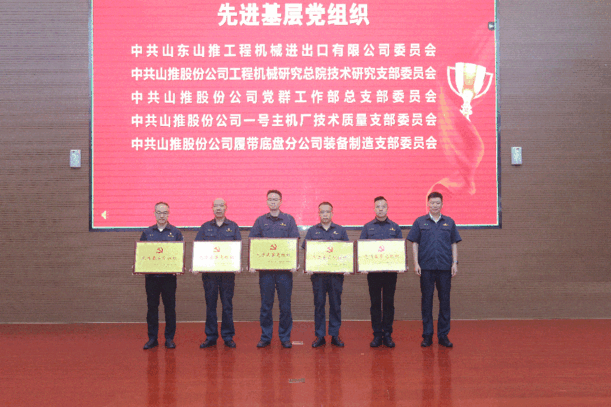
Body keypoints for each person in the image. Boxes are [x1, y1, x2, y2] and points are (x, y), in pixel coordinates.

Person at [407, 192, 461, 348]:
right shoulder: (420, 222)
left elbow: (454, 243)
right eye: (432, 203)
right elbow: (415, 243)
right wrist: (416, 263)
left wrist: (454, 263)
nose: (435, 205)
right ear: (428, 204)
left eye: (438, 203)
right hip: (426, 268)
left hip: (445, 268)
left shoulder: (449, 222)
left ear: (442, 204)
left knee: (445, 302)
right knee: (427, 302)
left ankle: (443, 335)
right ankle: (427, 335)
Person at [249, 190, 300, 349]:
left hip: (284, 272)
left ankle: (285, 337)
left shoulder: (289, 220)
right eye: (270, 199)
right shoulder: (260, 221)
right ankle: (266, 337)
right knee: (266, 305)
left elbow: (294, 242)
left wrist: (294, 262)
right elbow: (254, 243)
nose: (273, 201)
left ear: (281, 201)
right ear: (267, 202)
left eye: (276, 199)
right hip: (266, 272)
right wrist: (253, 262)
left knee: (285, 306)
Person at [194, 198, 242, 349]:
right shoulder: (205, 227)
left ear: (226, 208)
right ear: (212, 208)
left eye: (221, 205)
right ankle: (211, 337)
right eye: (216, 206)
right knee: (210, 305)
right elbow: (198, 248)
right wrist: (196, 265)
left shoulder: (233, 227)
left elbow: (238, 248)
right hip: (210, 275)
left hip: (227, 274)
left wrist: (237, 264)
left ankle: (228, 336)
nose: (219, 208)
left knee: (227, 305)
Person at [302, 202, 350, 348]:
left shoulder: (340, 231)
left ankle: (335, 335)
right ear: (319, 214)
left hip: (336, 276)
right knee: (319, 305)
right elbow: (307, 251)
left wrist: (347, 267)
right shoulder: (312, 231)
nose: (325, 214)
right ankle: (320, 336)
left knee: (335, 305)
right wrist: (308, 266)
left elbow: (346, 251)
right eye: (322, 212)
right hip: (318, 276)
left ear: (332, 213)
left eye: (327, 212)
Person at [359, 196, 403, 348]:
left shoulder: (395, 227)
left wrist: (400, 264)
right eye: (378, 206)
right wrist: (363, 265)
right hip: (374, 273)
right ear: (374, 209)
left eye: (383, 206)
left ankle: (388, 334)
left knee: (389, 303)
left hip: (390, 273)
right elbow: (362, 249)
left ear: (387, 208)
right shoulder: (367, 227)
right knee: (375, 303)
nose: (380, 209)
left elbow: (400, 250)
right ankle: (377, 334)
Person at [140, 202, 184, 350]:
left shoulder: (176, 233)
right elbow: (142, 254)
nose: (162, 215)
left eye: (164, 212)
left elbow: (180, 254)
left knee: (170, 308)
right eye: (159, 212)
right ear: (154, 214)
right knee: (152, 308)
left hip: (169, 279)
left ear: (168, 214)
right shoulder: (147, 233)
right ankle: (152, 339)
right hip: (152, 278)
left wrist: (179, 266)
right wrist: (139, 265)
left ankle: (169, 339)